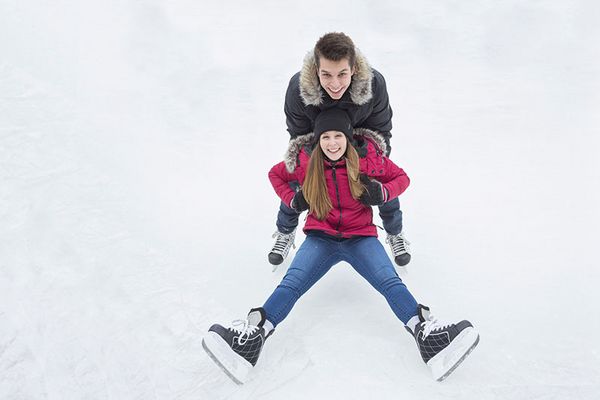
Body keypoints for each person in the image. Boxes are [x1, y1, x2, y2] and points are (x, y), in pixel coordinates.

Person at [203, 109, 479, 384]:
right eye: (326, 137)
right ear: (318, 140)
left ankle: (428, 337)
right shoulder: (305, 163)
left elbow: (402, 178)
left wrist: (383, 192)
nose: (332, 143)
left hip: (361, 237)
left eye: (338, 136)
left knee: (389, 281)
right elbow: (275, 175)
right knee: (291, 283)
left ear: (348, 138)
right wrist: (293, 199)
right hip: (320, 238)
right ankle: (251, 340)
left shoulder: (366, 162)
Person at [269, 32, 411, 268]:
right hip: (320, 140)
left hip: (361, 141)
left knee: (378, 179)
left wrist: (371, 161)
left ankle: (395, 232)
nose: (335, 84)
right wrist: (316, 164)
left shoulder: (374, 84)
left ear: (353, 68)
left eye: (342, 74)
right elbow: (298, 135)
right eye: (326, 74)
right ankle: (285, 230)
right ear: (316, 70)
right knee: (299, 176)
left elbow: (382, 127)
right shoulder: (298, 89)